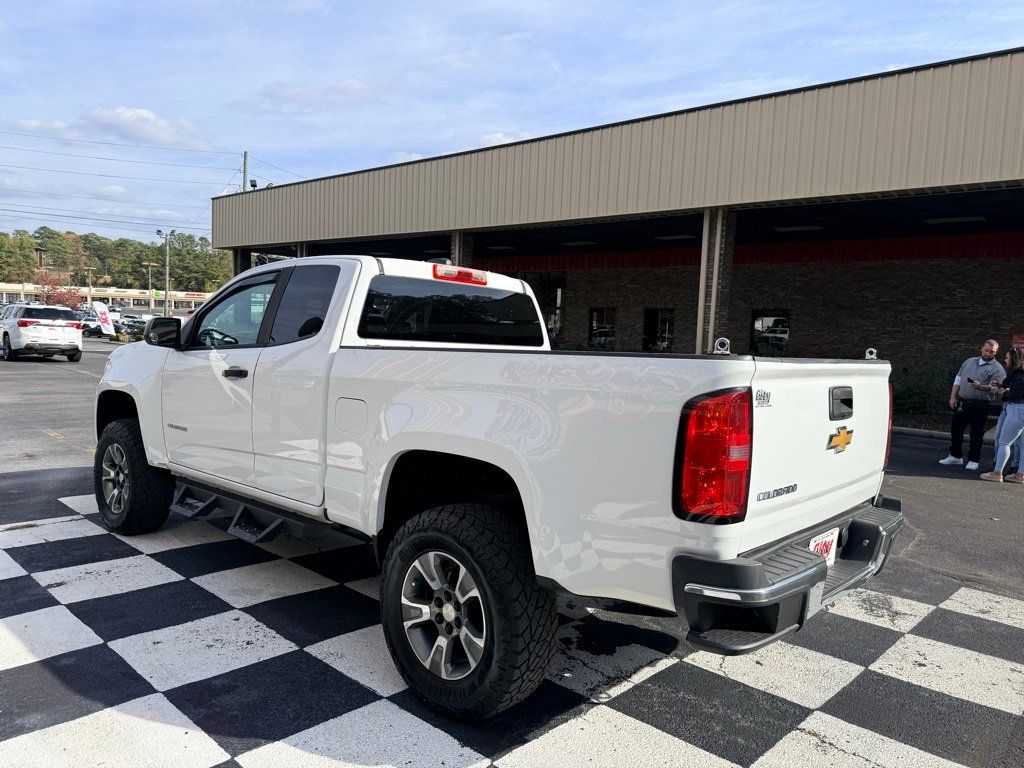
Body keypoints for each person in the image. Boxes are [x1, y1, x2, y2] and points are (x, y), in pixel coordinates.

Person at [939, 339, 1006, 471]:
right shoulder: (969, 361)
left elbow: (995, 388)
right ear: (981, 348)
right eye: (986, 350)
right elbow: (958, 379)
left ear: (996, 352)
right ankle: (955, 456)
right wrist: (953, 397)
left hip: (980, 404)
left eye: (992, 352)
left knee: (976, 434)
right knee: (956, 429)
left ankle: (973, 460)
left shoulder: (997, 368)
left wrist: (980, 386)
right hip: (963, 401)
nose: (988, 353)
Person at [981, 347, 1024, 483]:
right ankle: (1020, 474)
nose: (1005, 359)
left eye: (1007, 357)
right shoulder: (1017, 373)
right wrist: (1002, 385)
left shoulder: (1020, 375)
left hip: (1017, 409)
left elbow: (1014, 395)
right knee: (1023, 445)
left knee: (1004, 442)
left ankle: (997, 472)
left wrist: (1003, 393)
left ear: (1014, 359)